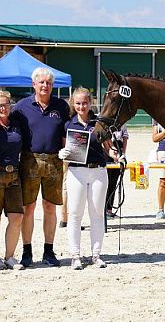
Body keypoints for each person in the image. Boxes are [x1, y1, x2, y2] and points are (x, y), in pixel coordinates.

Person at [13, 67, 70, 267]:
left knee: (50, 207)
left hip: (55, 161)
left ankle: (49, 251)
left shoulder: (61, 106)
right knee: (28, 208)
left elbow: (69, 133)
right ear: (34, 84)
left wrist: (69, 152)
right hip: (29, 160)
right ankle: (27, 252)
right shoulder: (20, 107)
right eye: (42, 82)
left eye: (49, 83)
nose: (45, 86)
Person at [58, 86, 113, 270]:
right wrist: (63, 153)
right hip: (77, 172)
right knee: (75, 213)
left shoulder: (99, 123)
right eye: (78, 103)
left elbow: (108, 147)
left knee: (97, 214)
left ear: (90, 103)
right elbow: (65, 147)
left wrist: (117, 155)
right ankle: (75, 256)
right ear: (74, 104)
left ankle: (96, 254)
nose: (82, 106)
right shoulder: (68, 124)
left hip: (98, 171)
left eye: (85, 103)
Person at [0, 91, 24, 270]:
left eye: (6, 104)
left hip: (14, 176)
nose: (3, 108)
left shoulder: (16, 125)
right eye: (0, 105)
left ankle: (9, 257)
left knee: (16, 217)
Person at [105, 124, 129, 219]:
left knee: (114, 182)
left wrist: (123, 153)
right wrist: (112, 153)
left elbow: (125, 137)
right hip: (108, 149)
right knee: (106, 181)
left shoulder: (123, 123)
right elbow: (105, 138)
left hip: (119, 148)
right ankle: (104, 209)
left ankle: (109, 209)